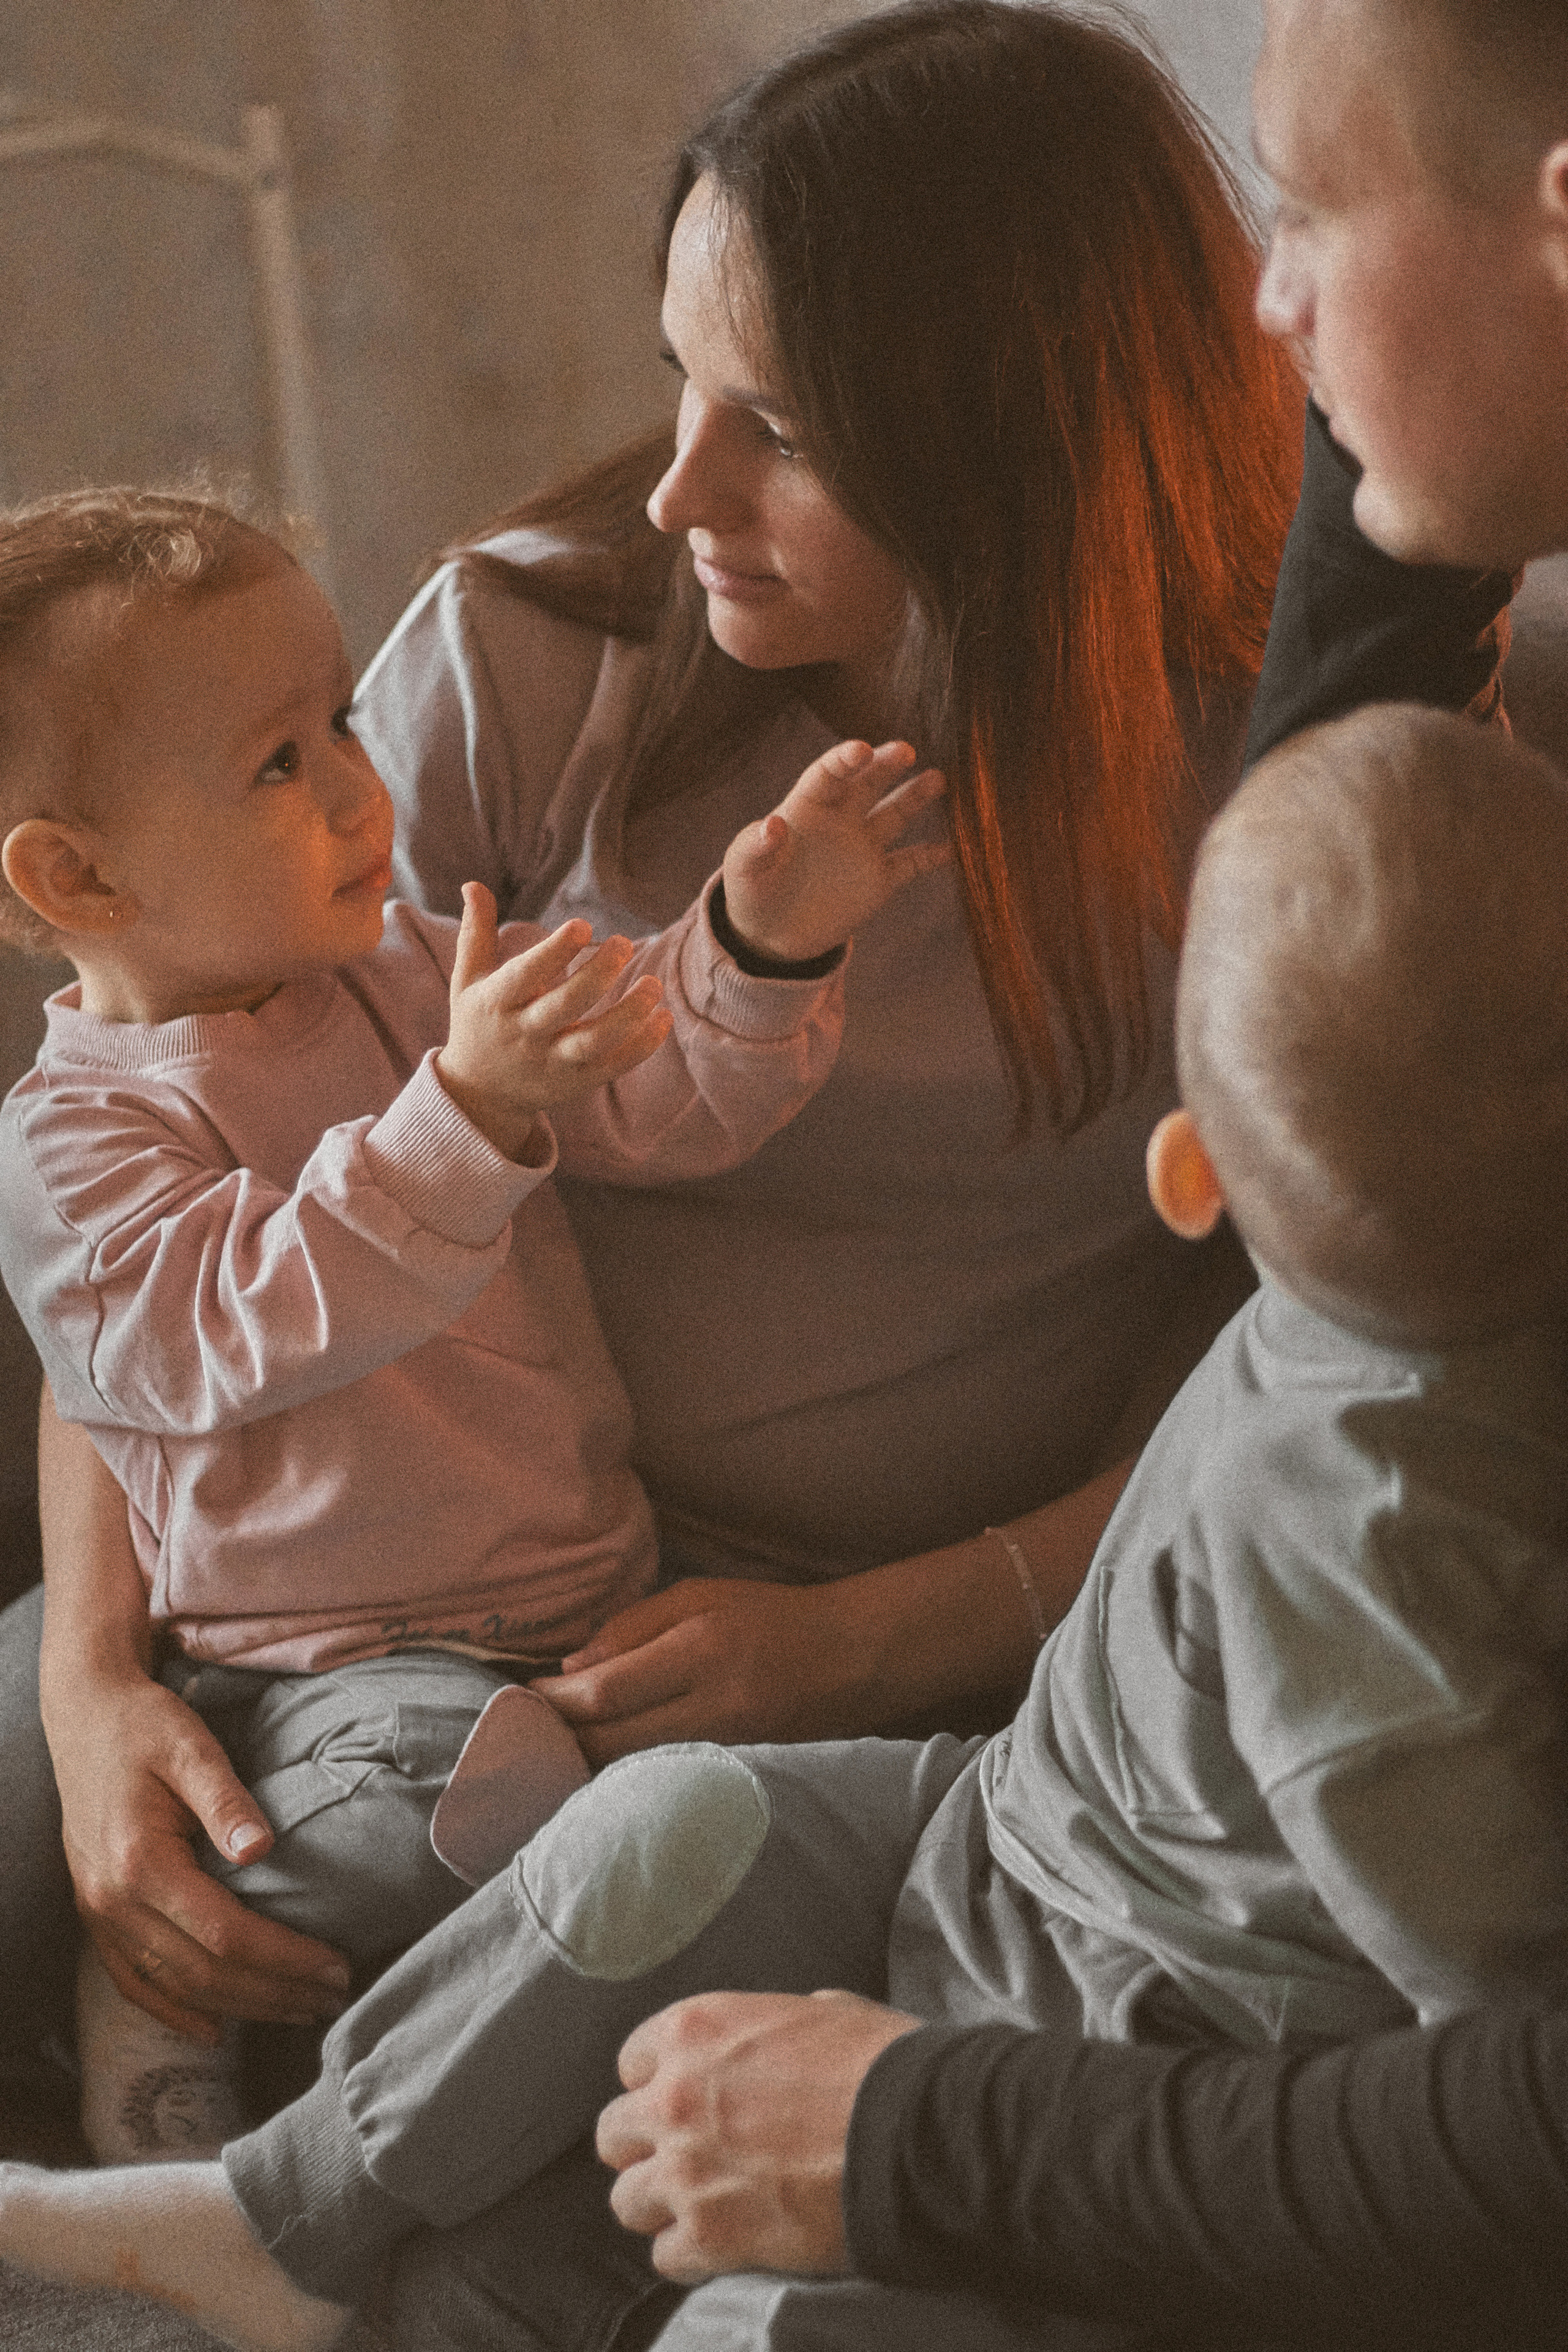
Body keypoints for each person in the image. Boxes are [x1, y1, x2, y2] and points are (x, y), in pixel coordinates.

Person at [0, 0, 1304, 2120]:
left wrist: (880, 1636)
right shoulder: (537, 649)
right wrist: (86, 1683)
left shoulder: (1280, 785)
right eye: (678, 376)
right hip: (314, 1585)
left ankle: (285, 2205)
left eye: (778, 423)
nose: (681, 481)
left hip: (868, 1640)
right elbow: (155, 1172)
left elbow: (1281, 1365)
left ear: (1011, 432)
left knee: (619, 1917)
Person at [10, 692, 1568, 2352]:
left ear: (1191, 1178)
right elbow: (131, 1339)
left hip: (1127, 2031)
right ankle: (285, 2217)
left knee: (653, 2312)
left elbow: (1483, 2049)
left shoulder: (1372, 1551)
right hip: (988, 1820)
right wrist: (91, 1673)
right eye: (280, 743)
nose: (342, 774)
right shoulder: (1414, 1248)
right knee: (662, 1826)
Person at [0, 484, 945, 2163]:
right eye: (276, 765)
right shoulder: (74, 1137)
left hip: (576, 1628)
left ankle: (295, 2078)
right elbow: (221, 1335)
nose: (361, 787)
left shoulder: (408, 975)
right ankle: (170, 1983)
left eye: (344, 717)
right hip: (300, 1670)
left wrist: (757, 939)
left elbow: (649, 1086)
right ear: (78, 874)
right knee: (455, 1794)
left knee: (604, 1815)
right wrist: (461, 1108)